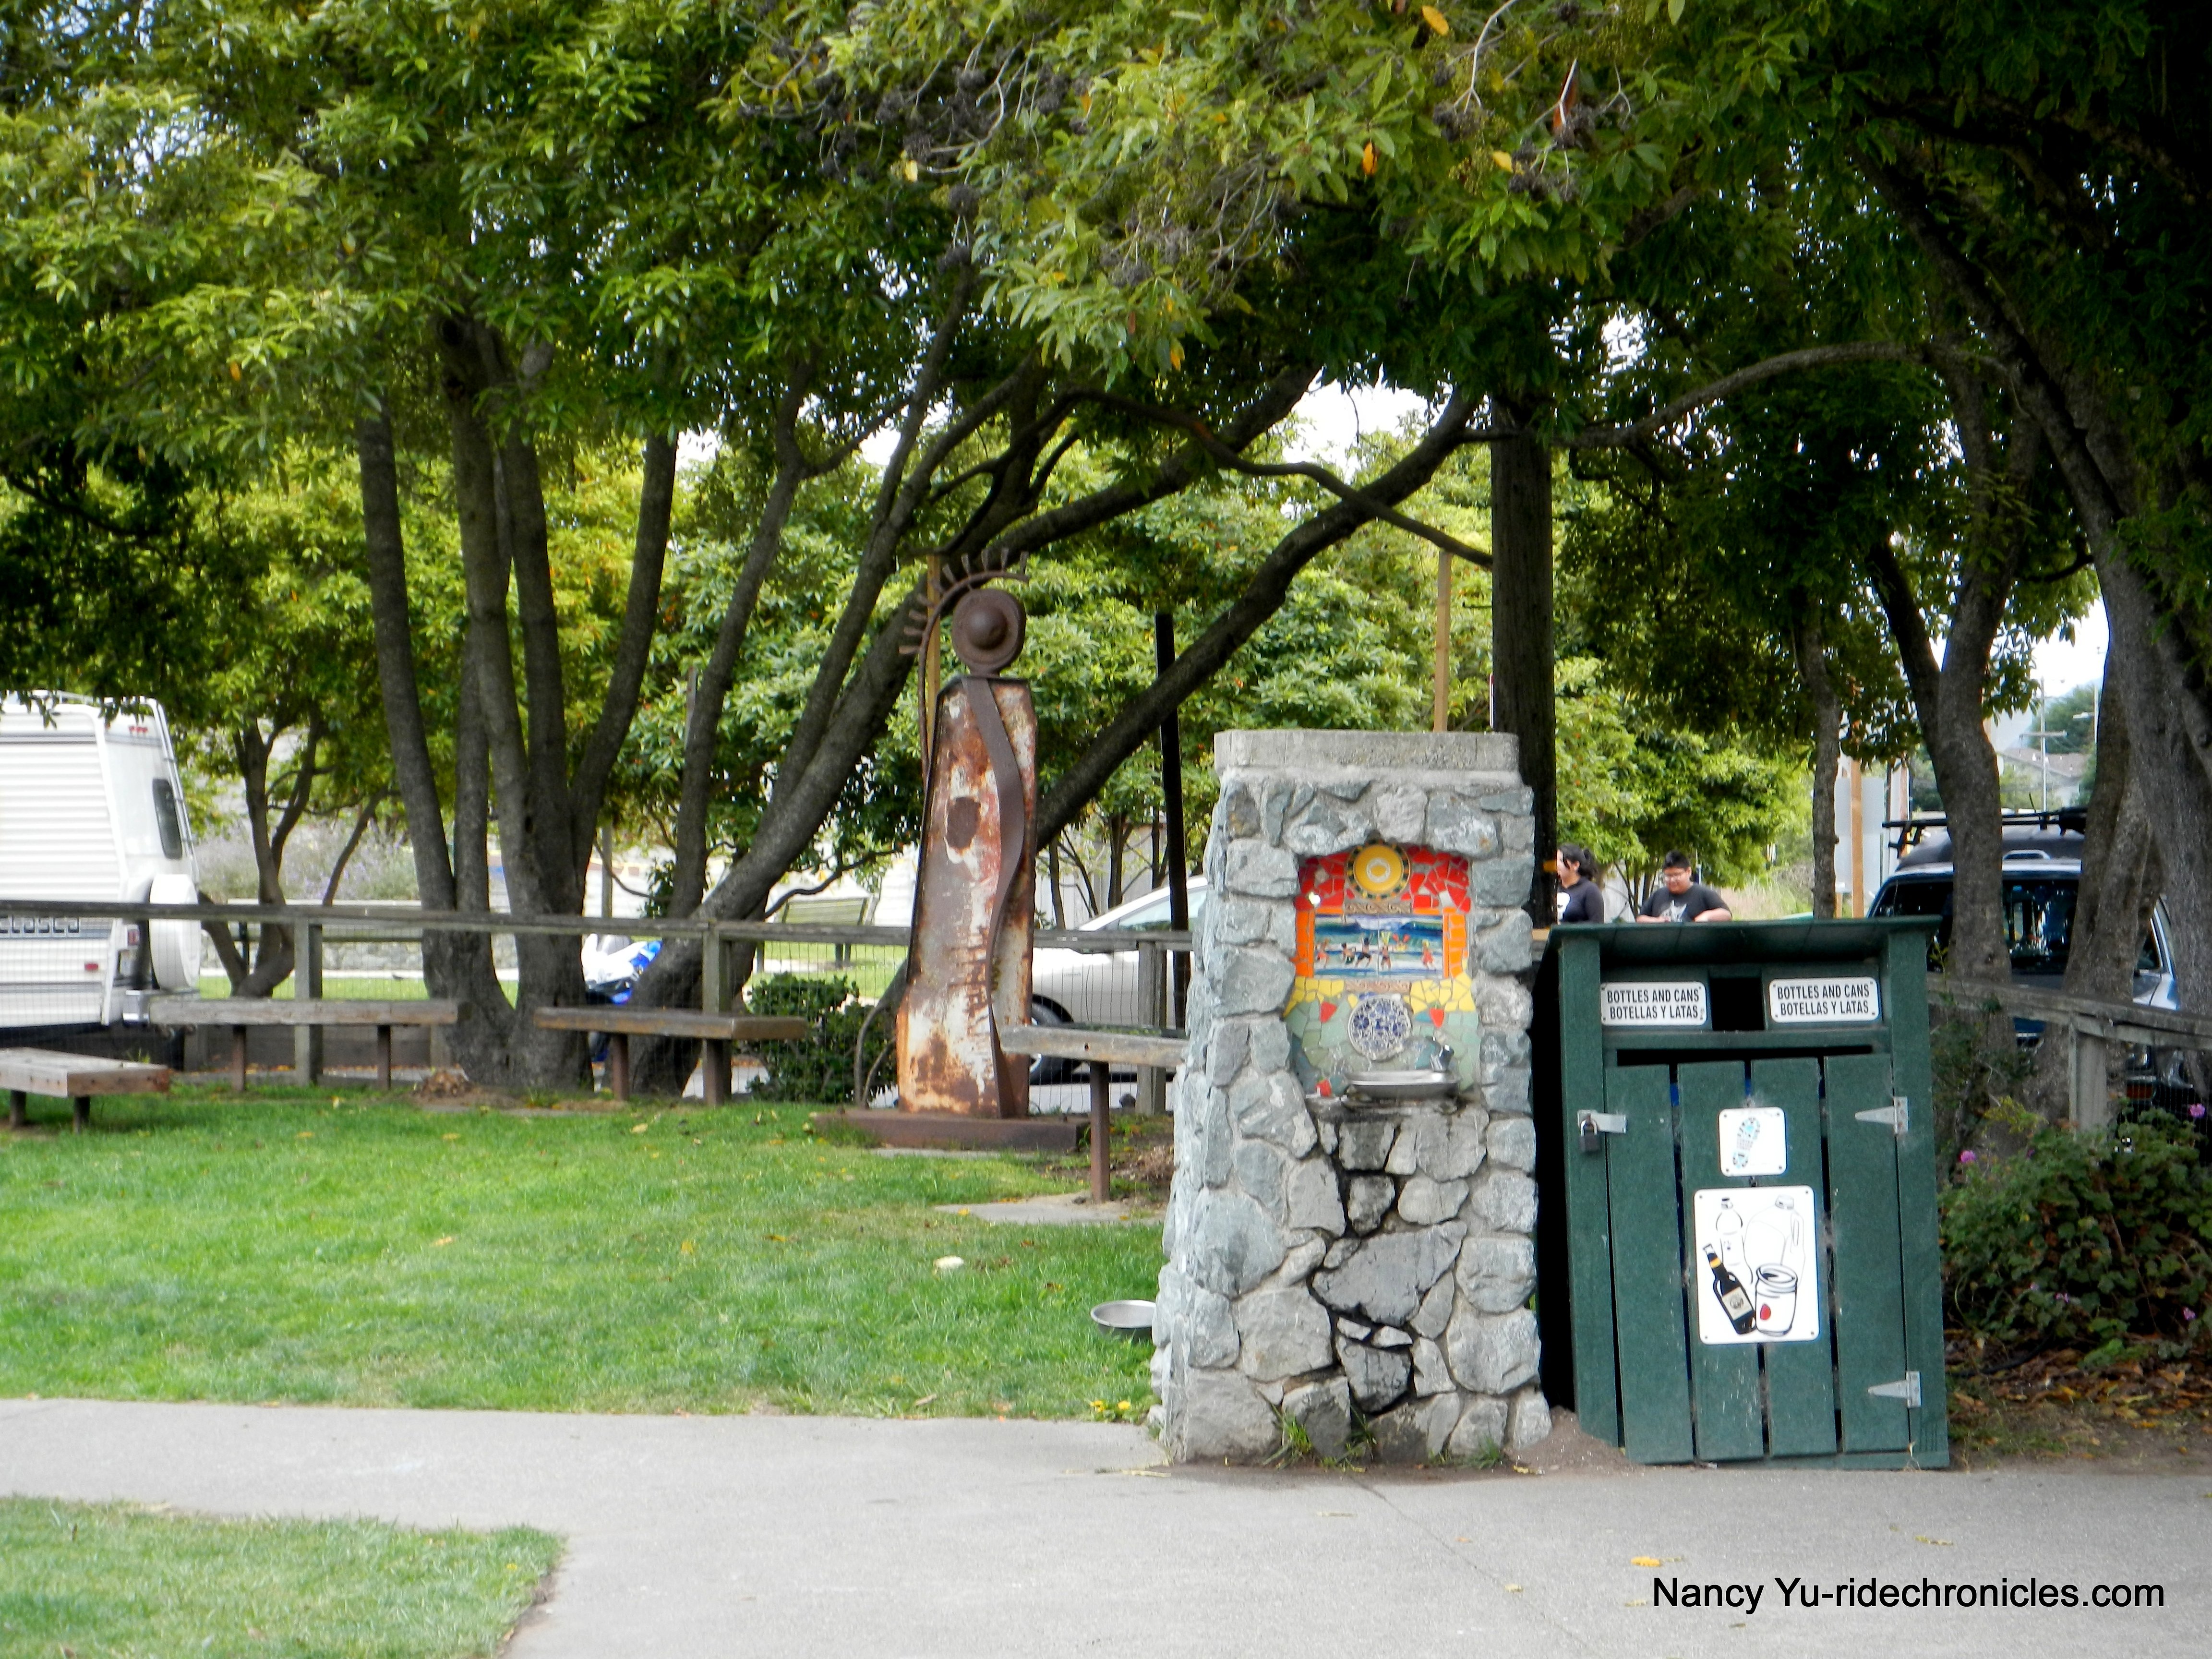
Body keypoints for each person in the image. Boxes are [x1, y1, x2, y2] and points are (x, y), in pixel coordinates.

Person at [1636, 850, 1732, 923]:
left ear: (1689, 872)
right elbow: (1640, 919)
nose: (1672, 880)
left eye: (1677, 875)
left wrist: (1706, 916)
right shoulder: (1658, 895)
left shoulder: (1704, 893)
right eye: (1668, 876)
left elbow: (1726, 915)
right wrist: (1657, 921)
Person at [1557, 844, 1604, 924]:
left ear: (1575, 865)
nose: (1557, 864)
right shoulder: (1554, 890)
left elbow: (1597, 924)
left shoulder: (1590, 890)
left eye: (1561, 861)